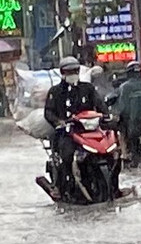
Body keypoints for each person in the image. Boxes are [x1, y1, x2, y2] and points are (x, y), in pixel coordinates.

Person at [44, 57, 107, 195]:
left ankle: (114, 186)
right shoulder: (55, 92)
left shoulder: (87, 88)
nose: (73, 74)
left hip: (88, 131)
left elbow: (100, 105)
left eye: (75, 71)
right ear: (62, 73)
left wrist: (106, 116)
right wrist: (58, 122)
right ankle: (61, 187)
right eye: (69, 72)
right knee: (66, 156)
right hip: (67, 132)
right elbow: (48, 112)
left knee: (111, 152)